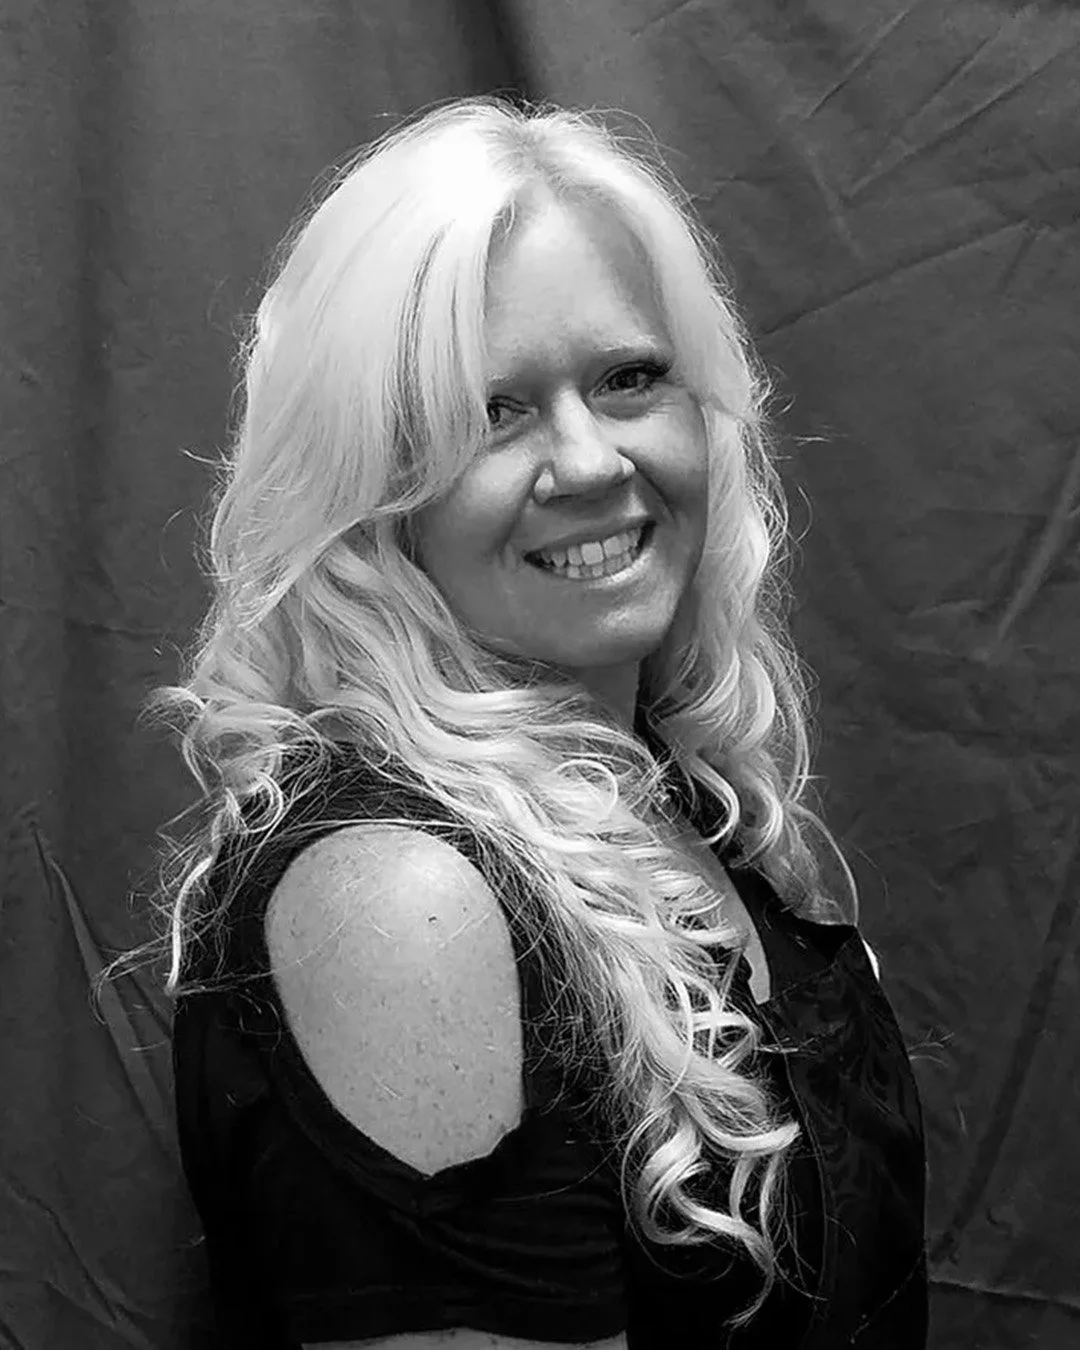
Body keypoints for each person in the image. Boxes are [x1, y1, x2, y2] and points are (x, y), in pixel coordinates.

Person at [136, 95, 927, 1348]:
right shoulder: (403, 897)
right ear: (374, 485)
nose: (592, 462)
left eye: (629, 380)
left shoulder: (665, 791)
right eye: (492, 411)